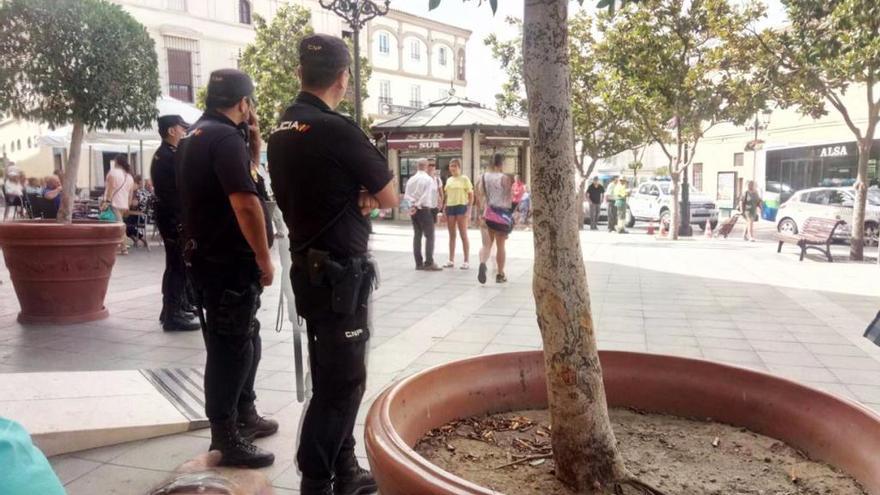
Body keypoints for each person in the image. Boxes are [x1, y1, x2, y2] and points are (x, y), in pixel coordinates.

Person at [267, 34, 398, 495]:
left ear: (300, 74)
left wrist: (352, 192)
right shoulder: (337, 130)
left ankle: (344, 468)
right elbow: (390, 194)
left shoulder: (281, 130)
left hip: (310, 271)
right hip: (339, 274)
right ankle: (318, 479)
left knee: (331, 375)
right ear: (343, 79)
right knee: (341, 383)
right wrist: (363, 193)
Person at [177, 68, 278, 469]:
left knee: (242, 338)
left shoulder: (193, 136)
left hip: (209, 261)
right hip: (228, 264)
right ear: (244, 103)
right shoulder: (223, 138)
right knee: (228, 349)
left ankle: (244, 414)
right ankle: (227, 435)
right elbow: (245, 203)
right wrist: (264, 258)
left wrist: (251, 153)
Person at [151, 114, 200, 332]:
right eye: (182, 129)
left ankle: (173, 308)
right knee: (177, 266)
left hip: (171, 216)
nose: (184, 132)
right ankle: (173, 314)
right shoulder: (168, 156)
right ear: (171, 130)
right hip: (173, 218)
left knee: (175, 265)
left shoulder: (167, 154)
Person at [476, 153, 513, 284]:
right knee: (500, 245)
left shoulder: (483, 177)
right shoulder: (504, 178)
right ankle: (500, 274)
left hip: (487, 214)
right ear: (501, 164)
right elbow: (509, 199)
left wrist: (480, 212)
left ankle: (482, 263)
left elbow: (479, 196)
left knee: (486, 245)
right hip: (501, 216)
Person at [404, 158, 442, 271]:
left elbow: (406, 196)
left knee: (417, 235)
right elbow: (426, 196)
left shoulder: (411, 179)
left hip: (413, 210)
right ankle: (429, 262)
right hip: (424, 209)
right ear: (426, 167)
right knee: (430, 236)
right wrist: (418, 205)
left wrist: (411, 206)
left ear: (417, 166)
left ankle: (418, 263)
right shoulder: (428, 179)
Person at [442, 158, 473, 269]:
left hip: (461, 207)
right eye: (451, 166)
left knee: (463, 234)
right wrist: (444, 209)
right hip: (450, 208)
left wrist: (469, 210)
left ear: (459, 167)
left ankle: (466, 261)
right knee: (452, 235)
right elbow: (446, 196)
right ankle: (451, 260)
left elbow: (471, 195)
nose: (452, 168)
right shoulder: (449, 180)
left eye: (455, 166)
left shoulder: (464, 179)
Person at [105, 154, 135, 254]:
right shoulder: (129, 176)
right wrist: (128, 205)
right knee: (119, 224)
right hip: (124, 204)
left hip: (114, 202)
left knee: (119, 225)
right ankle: (120, 246)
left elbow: (110, 188)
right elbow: (131, 194)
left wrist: (107, 201)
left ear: (117, 162)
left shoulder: (113, 173)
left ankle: (124, 247)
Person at [125, 175, 152, 249]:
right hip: (141, 216)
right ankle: (136, 240)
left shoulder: (139, 192)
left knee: (124, 225)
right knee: (124, 223)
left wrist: (128, 199)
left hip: (139, 216)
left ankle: (143, 240)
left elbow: (134, 204)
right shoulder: (144, 192)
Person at [427, 159, 444, 224]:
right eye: (429, 165)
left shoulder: (437, 179)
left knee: (433, 224)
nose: (431, 167)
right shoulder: (422, 178)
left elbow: (441, 193)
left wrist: (441, 203)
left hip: (434, 205)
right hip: (424, 206)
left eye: (433, 165)